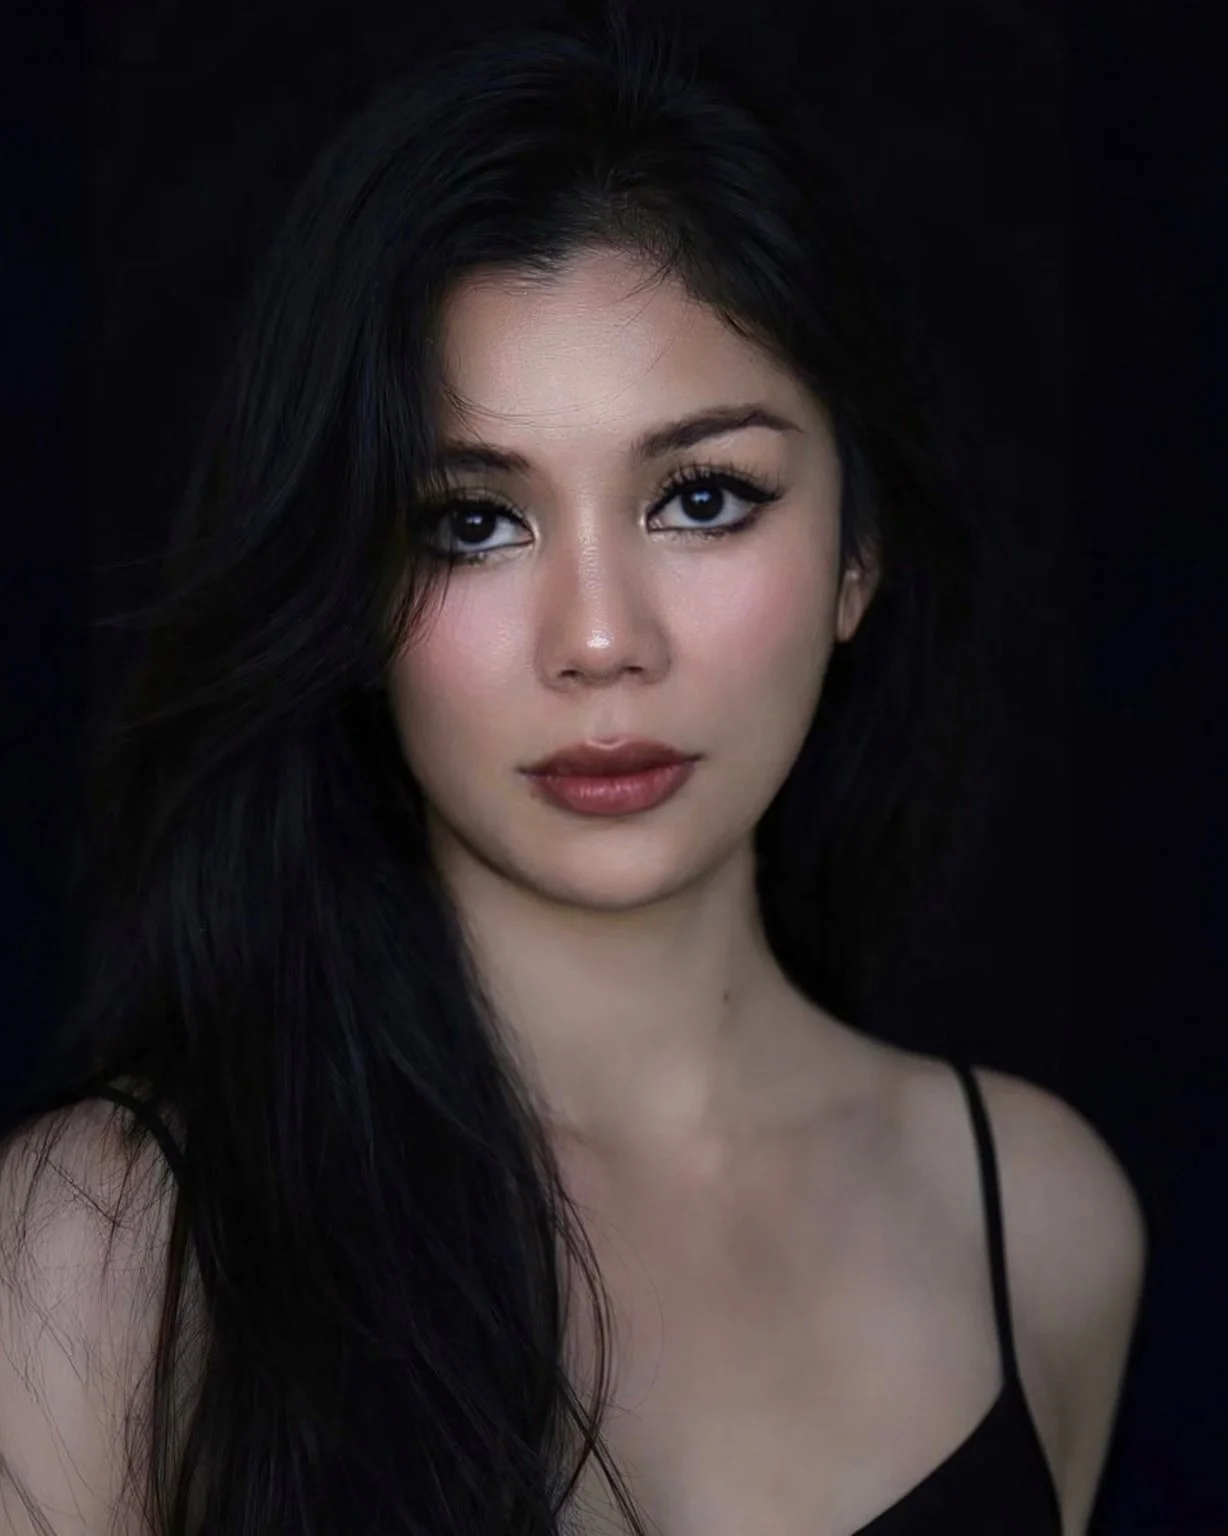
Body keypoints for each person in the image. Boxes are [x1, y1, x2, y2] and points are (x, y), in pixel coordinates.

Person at [0, 11, 1145, 1535]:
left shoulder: (1045, 1229)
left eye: (702, 498)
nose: (600, 640)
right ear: (346, 588)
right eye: (470, 522)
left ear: (856, 552)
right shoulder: (92, 1258)